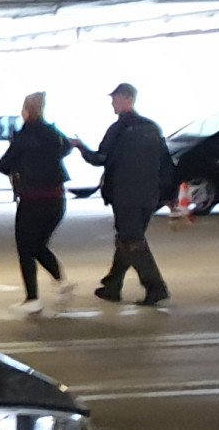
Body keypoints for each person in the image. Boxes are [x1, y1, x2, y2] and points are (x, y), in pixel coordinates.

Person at [74, 82, 173, 308]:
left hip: (125, 195)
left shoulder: (118, 129)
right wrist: (169, 195)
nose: (112, 103)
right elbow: (165, 162)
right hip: (149, 195)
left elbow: (99, 158)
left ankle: (156, 287)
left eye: (115, 99)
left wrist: (80, 146)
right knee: (126, 239)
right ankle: (112, 285)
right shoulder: (152, 127)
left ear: (128, 99)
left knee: (132, 241)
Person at [0, 90, 75, 313]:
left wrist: (19, 165)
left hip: (32, 199)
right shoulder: (53, 132)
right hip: (57, 199)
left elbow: (3, 165)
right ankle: (61, 281)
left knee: (25, 247)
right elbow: (67, 147)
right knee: (38, 244)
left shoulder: (24, 136)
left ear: (26, 111)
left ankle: (32, 298)